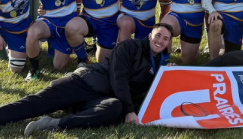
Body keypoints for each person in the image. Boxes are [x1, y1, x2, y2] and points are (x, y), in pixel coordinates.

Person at [0, 23, 174, 136]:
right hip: (84, 82)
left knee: (114, 107)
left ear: (168, 43)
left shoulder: (159, 65)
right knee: (37, 103)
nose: (160, 41)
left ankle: (53, 123)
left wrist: (171, 74)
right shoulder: (129, 46)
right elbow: (119, 78)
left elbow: (153, 92)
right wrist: (129, 110)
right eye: (158, 35)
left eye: (165, 39)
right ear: (150, 35)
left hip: (99, 99)